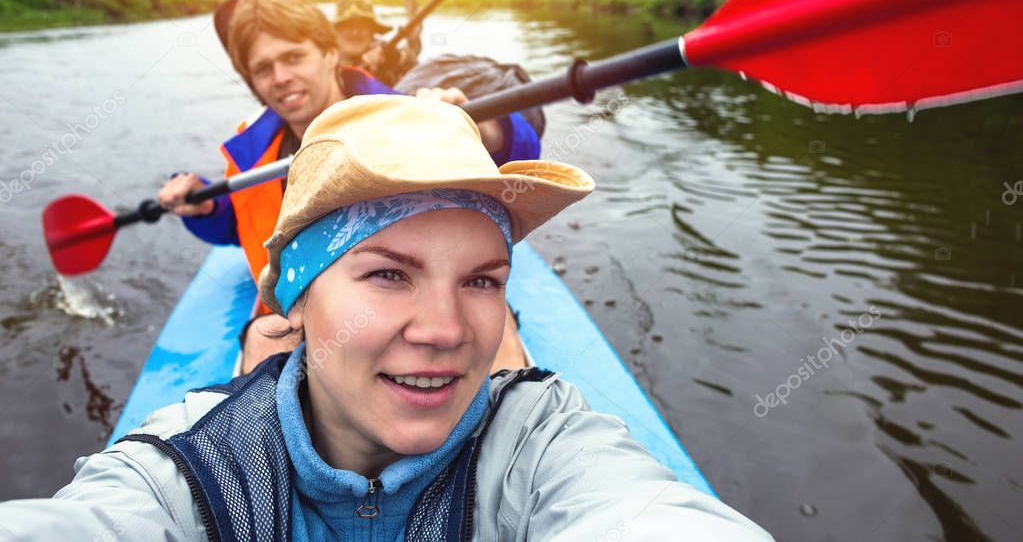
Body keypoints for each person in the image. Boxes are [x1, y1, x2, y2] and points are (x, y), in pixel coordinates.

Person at [0, 96, 773, 541]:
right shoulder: (186, 469)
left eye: (480, 279)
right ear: (294, 301)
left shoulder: (543, 438)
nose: (443, 329)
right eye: (388, 273)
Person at [157, 0, 540, 373]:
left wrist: (481, 128)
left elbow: (516, 159)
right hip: (301, 305)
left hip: (410, 289)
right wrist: (206, 208)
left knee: (498, 325)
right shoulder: (253, 154)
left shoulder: (405, 113)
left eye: (294, 57)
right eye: (263, 69)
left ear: (329, 52)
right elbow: (242, 224)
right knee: (265, 335)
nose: (281, 78)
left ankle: (509, 423)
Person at [333, 0, 419, 85]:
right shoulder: (324, 63)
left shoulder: (387, 57)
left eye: (362, 26)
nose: (355, 32)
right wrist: (362, 67)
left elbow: (415, 71)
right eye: (348, 25)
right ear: (335, 31)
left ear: (372, 32)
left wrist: (394, 56)